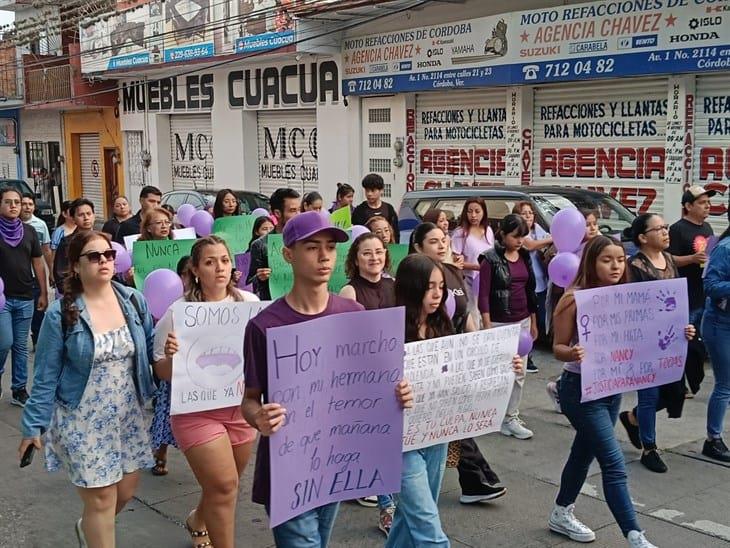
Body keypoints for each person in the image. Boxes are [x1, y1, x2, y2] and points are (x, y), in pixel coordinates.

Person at [242, 211, 412, 546]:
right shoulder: (265, 325)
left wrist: (399, 393)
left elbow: (373, 388)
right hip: (288, 469)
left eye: (331, 248)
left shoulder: (354, 316)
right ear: (288, 254)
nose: (324, 256)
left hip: (337, 463)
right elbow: (249, 399)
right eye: (312, 247)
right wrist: (258, 417)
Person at [19, 230, 157, 547]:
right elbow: (45, 374)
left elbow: (151, 352)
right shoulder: (62, 312)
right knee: (102, 500)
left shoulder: (133, 300)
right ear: (76, 266)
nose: (104, 261)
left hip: (126, 415)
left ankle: (88, 528)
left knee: (126, 491)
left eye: (108, 254)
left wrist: (171, 352)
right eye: (93, 256)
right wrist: (33, 426)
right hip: (81, 417)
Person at [550, 236, 682, 548]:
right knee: (612, 461)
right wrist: (573, 353)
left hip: (612, 389)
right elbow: (557, 348)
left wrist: (681, 333)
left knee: (583, 453)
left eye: (620, 260)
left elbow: (650, 336)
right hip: (579, 390)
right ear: (591, 263)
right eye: (606, 260)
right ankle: (634, 535)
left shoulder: (627, 297)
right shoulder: (574, 299)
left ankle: (560, 511)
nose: (615, 266)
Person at [387, 253, 522, 548]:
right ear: (411, 288)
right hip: (398, 443)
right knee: (428, 531)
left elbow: (464, 370)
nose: (437, 295)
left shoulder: (441, 324)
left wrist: (504, 366)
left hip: (435, 436)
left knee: (410, 521)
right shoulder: (388, 331)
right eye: (429, 287)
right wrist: (392, 391)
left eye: (440, 287)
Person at [155, 236, 259, 548]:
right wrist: (172, 357)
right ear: (196, 269)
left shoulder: (251, 306)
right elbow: (162, 372)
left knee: (224, 485)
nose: (219, 268)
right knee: (225, 485)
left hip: (240, 408)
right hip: (196, 412)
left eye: (225, 260)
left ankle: (198, 519)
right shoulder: (179, 313)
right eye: (210, 262)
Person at [409, 222, 508, 503]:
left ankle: (474, 481)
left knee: (455, 424)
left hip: (454, 358)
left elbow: (466, 315)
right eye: (433, 241)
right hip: (427, 367)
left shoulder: (453, 272)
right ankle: (475, 480)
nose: (442, 245)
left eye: (444, 240)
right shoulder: (411, 281)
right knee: (452, 425)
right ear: (417, 247)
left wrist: (482, 349)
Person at [618, 214, 695, 473]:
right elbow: (629, 307)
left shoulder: (670, 260)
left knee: (676, 393)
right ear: (642, 237)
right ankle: (649, 448)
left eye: (665, 227)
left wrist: (685, 326)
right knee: (649, 395)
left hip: (672, 341)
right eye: (659, 228)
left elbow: (675, 302)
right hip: (645, 342)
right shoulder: (635, 266)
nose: (665, 231)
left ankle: (632, 418)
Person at [338, 233, 398, 534]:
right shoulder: (349, 292)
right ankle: (387, 507)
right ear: (355, 259)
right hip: (363, 379)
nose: (374, 257)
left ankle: (383, 499)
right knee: (376, 441)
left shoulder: (394, 286)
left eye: (379, 252)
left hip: (393, 374)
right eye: (366, 253)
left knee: (383, 441)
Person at [479, 214, 537, 440]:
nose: (520, 240)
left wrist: (533, 320)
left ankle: (510, 416)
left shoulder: (524, 256)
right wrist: (486, 325)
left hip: (522, 321)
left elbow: (530, 289)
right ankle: (495, 414)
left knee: (519, 372)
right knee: (498, 372)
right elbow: (483, 295)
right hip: (499, 321)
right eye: (515, 236)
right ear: (503, 234)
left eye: (523, 236)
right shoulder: (489, 259)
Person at [545, 209, 601, 413]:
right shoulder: (572, 251)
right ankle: (561, 387)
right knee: (576, 352)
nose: (593, 228)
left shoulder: (600, 246)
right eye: (588, 224)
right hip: (577, 308)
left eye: (595, 223)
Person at [0, 188, 48, 405]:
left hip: (25, 295)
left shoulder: (28, 231)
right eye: (8, 202)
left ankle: (19, 390)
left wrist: (44, 292)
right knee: (4, 341)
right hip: (2, 299)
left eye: (17, 202)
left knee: (20, 346)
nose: (13, 206)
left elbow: (37, 262)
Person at [668, 185, 715, 395]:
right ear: (688, 206)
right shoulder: (678, 229)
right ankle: (678, 383)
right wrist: (692, 259)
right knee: (682, 340)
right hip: (684, 294)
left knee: (698, 342)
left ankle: (694, 380)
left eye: (708, 203)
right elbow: (670, 260)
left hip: (703, 292)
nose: (707, 207)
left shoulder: (707, 229)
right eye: (702, 203)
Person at [701, 202, 730, 462]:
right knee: (725, 384)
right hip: (719, 324)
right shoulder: (725, 248)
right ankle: (713, 439)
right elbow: (710, 285)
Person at [514, 201, 552, 373]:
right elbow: (530, 245)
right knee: (527, 322)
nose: (528, 216)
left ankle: (530, 350)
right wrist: (555, 236)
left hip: (541, 282)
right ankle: (526, 357)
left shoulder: (538, 231)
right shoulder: (519, 234)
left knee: (541, 320)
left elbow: (547, 246)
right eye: (524, 213)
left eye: (530, 213)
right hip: (525, 284)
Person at [246, 188, 301, 300]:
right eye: (293, 210)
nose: (298, 214)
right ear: (277, 213)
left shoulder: (306, 240)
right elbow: (249, 283)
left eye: (299, 210)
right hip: (274, 305)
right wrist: (260, 277)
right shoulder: (260, 245)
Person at [21, 193, 53, 349]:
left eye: (30, 204)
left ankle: (38, 340)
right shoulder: (9, 225)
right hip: (15, 278)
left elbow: (46, 250)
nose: (27, 207)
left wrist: (51, 271)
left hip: (34, 277)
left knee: (38, 310)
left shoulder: (40, 225)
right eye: (24, 204)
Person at [450, 198, 494, 303]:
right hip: (469, 282)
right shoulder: (460, 233)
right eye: (470, 211)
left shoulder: (488, 230)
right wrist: (477, 267)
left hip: (487, 281)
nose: (473, 215)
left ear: (484, 212)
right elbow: (454, 261)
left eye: (477, 211)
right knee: (473, 314)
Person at [53, 199, 96, 296]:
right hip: (76, 294)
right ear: (73, 218)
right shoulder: (67, 242)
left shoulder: (102, 240)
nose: (86, 218)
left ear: (94, 215)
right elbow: (60, 273)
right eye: (81, 215)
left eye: (89, 214)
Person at [352, 174, 400, 242]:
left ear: (381, 190)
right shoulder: (359, 210)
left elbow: (396, 232)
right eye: (367, 190)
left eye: (372, 190)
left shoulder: (389, 208)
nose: (369, 194)